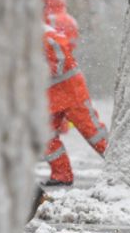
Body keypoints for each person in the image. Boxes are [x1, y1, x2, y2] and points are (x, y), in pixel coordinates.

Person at [42, 24, 108, 186]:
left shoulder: (42, 34)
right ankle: (61, 174)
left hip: (72, 92)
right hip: (51, 97)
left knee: (93, 132)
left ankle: (119, 166)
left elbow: (61, 53)